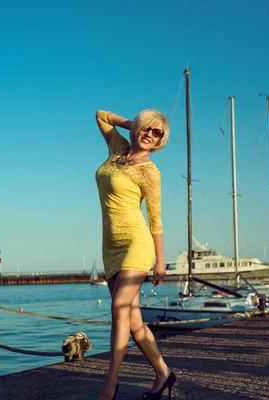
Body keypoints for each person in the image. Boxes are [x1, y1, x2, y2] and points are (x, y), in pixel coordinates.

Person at [95, 109, 176, 400]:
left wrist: (161, 260)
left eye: (158, 134)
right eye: (148, 129)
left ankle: (111, 382)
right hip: (111, 245)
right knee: (134, 320)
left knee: (119, 306)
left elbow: (156, 220)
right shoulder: (118, 148)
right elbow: (101, 116)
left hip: (136, 244)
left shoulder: (150, 172)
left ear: (160, 142)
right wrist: (135, 127)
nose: (150, 135)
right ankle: (163, 373)